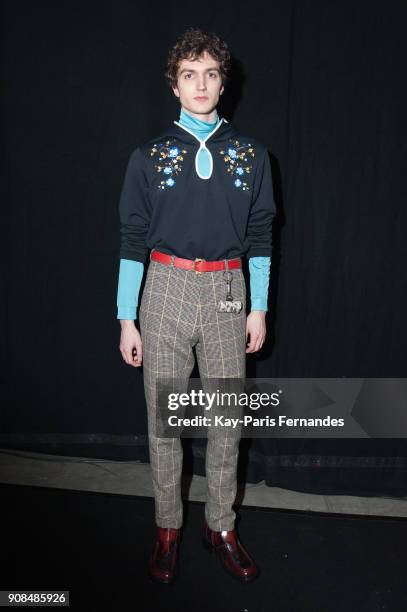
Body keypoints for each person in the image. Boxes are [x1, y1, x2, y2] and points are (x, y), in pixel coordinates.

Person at [116, 27, 276, 584]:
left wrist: (258, 307)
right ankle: (167, 528)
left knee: (227, 421)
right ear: (175, 85)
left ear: (223, 82)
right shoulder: (149, 156)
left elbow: (260, 235)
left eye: (211, 73)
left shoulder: (252, 156)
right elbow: (132, 237)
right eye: (190, 74)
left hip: (230, 294)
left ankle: (221, 526)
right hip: (163, 290)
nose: (201, 83)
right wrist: (126, 316)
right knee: (165, 423)